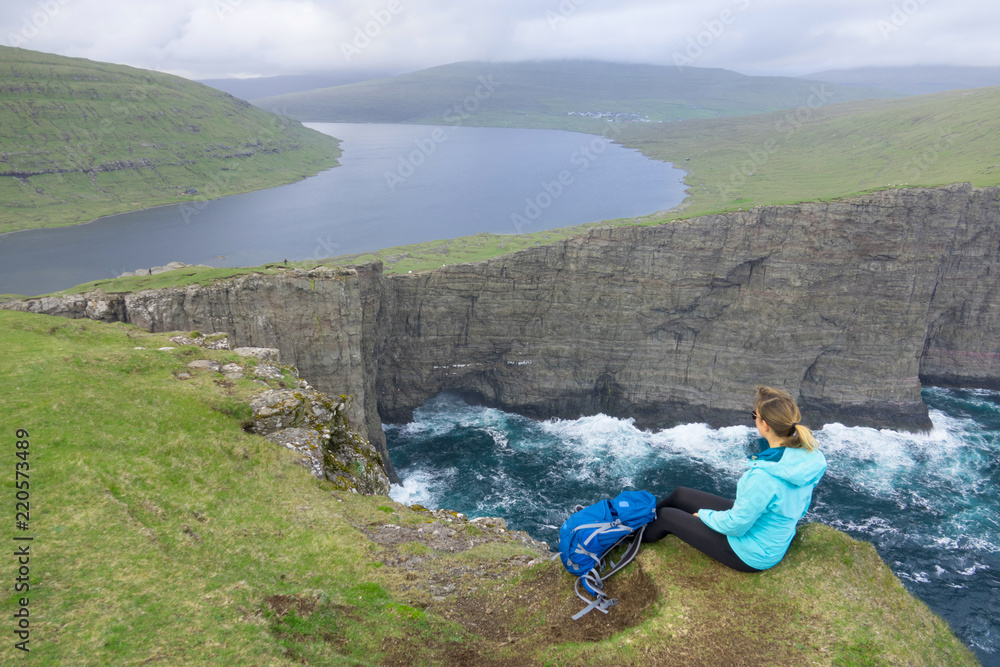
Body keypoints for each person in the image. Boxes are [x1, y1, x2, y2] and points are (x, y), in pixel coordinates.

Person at [642, 386, 828, 572]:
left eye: (755, 415)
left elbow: (736, 526)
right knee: (680, 495)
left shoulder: (763, 476)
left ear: (765, 425)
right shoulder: (809, 457)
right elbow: (798, 506)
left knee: (666, 516)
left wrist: (706, 516)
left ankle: (628, 537)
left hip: (752, 553)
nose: (754, 418)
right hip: (768, 534)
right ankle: (637, 520)